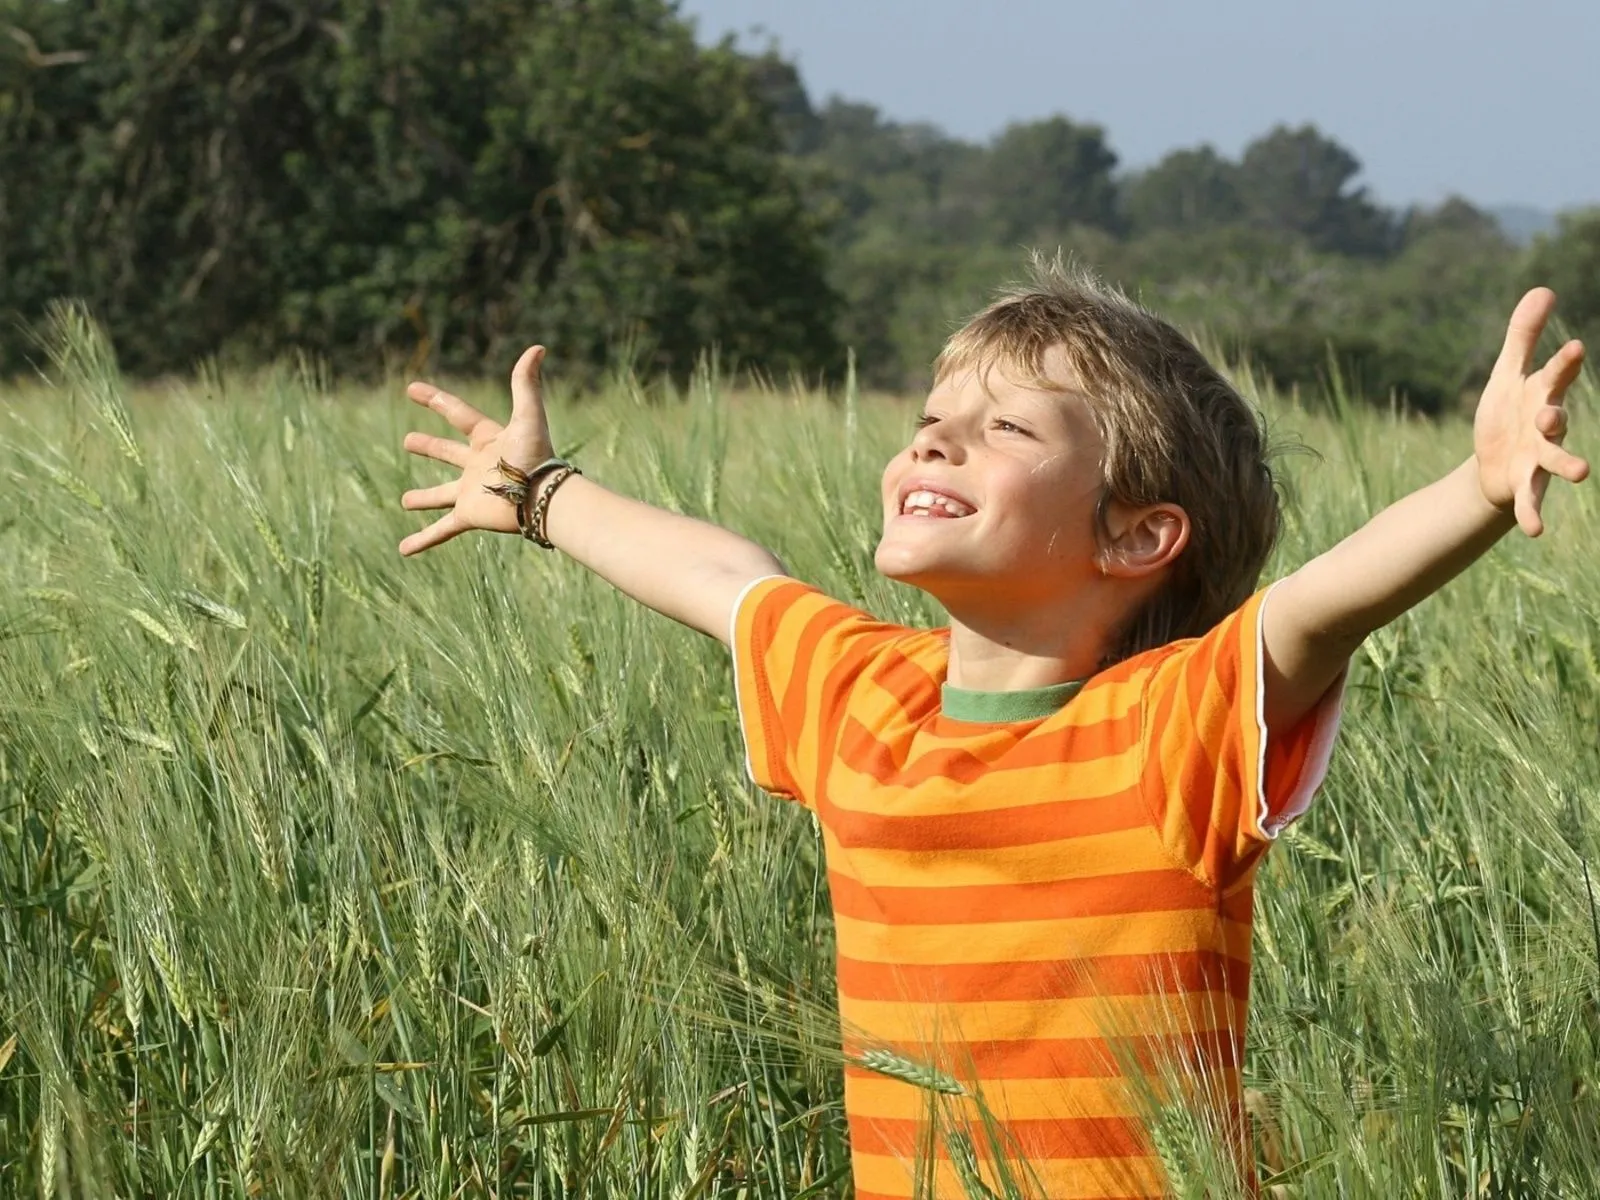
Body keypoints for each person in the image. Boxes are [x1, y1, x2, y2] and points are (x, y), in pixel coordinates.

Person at [397, 258, 1588, 1198]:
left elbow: (1321, 608)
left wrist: (1477, 490)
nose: (932, 440)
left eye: (1008, 431)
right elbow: (723, 576)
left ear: (1135, 537)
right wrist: (540, 497)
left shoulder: (1172, 728)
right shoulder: (863, 693)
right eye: (930, 418)